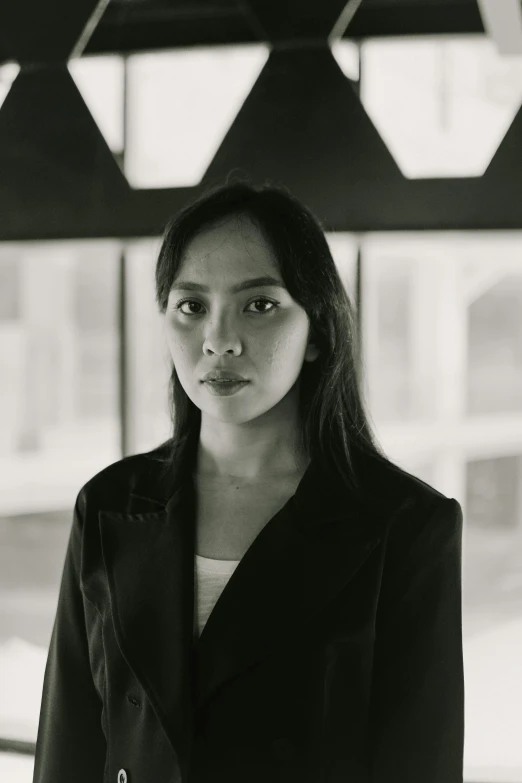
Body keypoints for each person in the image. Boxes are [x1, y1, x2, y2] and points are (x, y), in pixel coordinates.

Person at [33, 179, 465, 783]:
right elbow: (67, 746)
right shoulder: (109, 504)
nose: (219, 340)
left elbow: (421, 762)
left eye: (258, 305)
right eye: (192, 306)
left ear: (318, 331)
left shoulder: (405, 523)